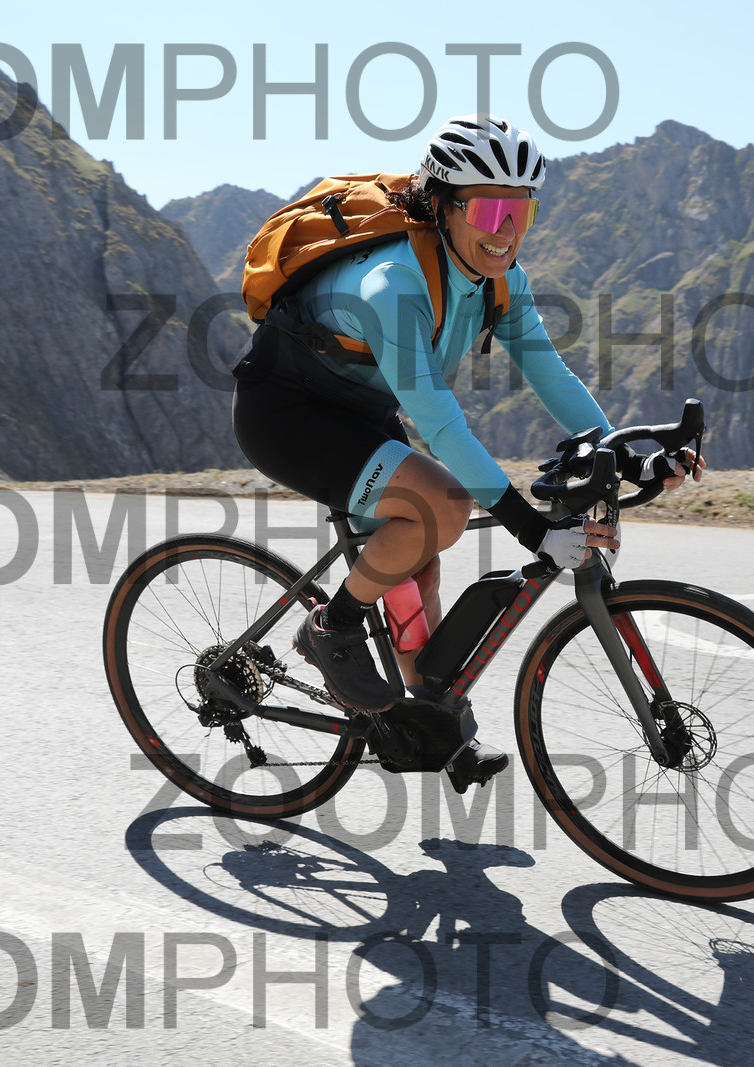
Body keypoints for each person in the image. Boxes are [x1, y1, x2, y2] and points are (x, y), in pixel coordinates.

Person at [232, 115, 702, 785]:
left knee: (416, 565)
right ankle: (332, 626)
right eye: (486, 209)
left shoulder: (502, 281)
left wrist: (629, 457)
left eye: (522, 210)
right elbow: (443, 427)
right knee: (441, 508)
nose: (505, 229)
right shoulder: (394, 284)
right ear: (442, 205)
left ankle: (429, 727)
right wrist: (532, 528)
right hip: (286, 413)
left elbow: (553, 378)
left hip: (360, 413)